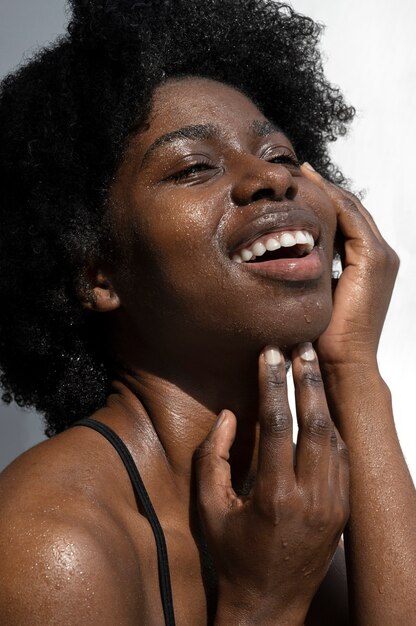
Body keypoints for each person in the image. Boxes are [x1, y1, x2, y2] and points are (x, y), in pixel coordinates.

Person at [0, 0, 414, 624]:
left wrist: (353, 365)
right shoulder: (51, 548)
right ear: (96, 271)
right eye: (195, 167)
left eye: (280, 156)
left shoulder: (288, 514)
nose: (271, 181)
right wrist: (263, 605)